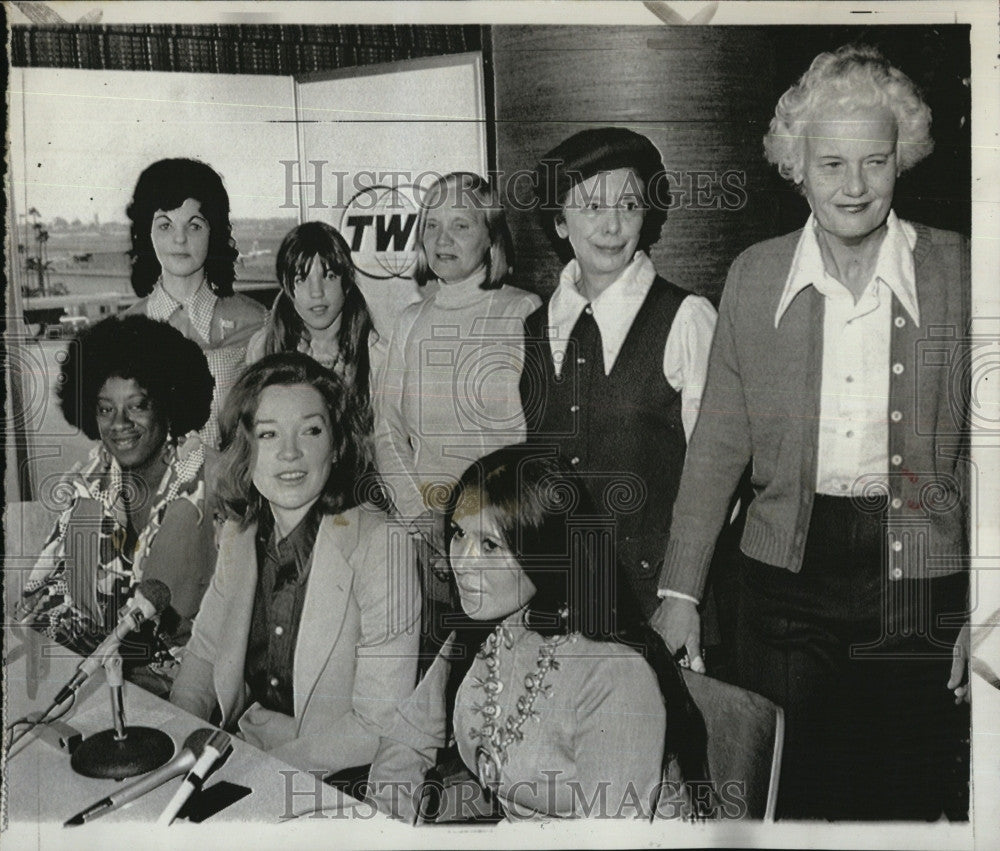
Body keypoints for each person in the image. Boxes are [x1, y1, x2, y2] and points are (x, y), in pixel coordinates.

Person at [651, 45, 970, 820]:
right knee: (788, 796)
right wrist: (680, 589)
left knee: (905, 799)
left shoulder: (962, 269)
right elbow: (718, 446)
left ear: (905, 158)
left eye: (875, 161)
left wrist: (989, 606)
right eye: (830, 163)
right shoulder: (755, 276)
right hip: (783, 582)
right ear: (796, 165)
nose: (854, 186)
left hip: (920, 578)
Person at [368, 446, 711, 822]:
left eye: (489, 545)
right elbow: (407, 740)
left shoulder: (615, 673)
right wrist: (386, 827)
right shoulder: (483, 630)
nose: (461, 561)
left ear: (547, 551)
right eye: (458, 534)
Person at [169, 352, 421, 775]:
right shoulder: (238, 535)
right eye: (268, 435)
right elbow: (204, 656)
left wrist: (252, 773)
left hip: (335, 775)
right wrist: (181, 740)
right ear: (245, 449)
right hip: (240, 753)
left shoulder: (383, 547)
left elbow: (377, 726)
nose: (290, 453)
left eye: (311, 431)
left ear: (338, 445)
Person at [521, 127, 717, 622]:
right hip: (560, 601)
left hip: (658, 603)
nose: (612, 226)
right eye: (591, 208)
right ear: (560, 222)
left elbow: (717, 479)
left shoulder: (687, 318)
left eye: (629, 206)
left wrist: (682, 596)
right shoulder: (536, 326)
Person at [374, 172, 541, 661]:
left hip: (505, 545)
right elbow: (386, 427)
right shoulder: (410, 321)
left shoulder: (524, 312)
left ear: (491, 237)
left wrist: (490, 531)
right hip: (427, 544)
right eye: (432, 225)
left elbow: (535, 440)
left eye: (462, 225)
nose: (442, 239)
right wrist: (421, 516)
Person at [15, 315, 218, 694]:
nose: (119, 424)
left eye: (137, 406)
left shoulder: (211, 483)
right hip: (102, 685)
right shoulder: (91, 481)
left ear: (169, 403)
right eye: (105, 409)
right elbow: (43, 597)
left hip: (195, 697)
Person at [125, 158, 265, 448]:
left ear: (213, 232)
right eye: (165, 225)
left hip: (232, 488)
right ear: (146, 233)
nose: (179, 239)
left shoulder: (256, 321)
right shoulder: (125, 332)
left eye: (195, 225)